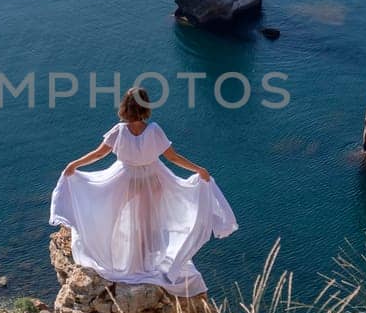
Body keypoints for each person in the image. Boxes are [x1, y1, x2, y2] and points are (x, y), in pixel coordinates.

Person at [49, 86, 236, 296]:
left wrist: (75, 164)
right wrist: (198, 169)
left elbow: (99, 154)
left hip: (125, 179)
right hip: (153, 179)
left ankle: (126, 260)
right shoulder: (154, 130)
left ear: (125, 108)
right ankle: (146, 263)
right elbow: (173, 157)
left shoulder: (119, 131)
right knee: (148, 222)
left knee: (117, 219)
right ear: (145, 106)